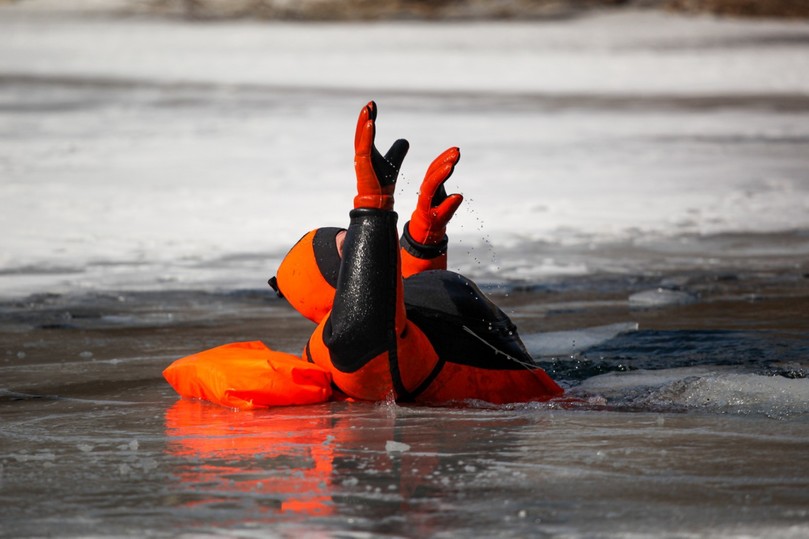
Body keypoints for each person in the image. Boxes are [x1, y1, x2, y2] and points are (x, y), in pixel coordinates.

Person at [269, 101, 562, 405]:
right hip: (520, 416)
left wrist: (424, 238)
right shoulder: (344, 350)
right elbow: (369, 321)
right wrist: (372, 204)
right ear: (329, 280)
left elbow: (407, 303)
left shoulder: (392, 324)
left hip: (543, 399)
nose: (361, 243)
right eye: (348, 245)